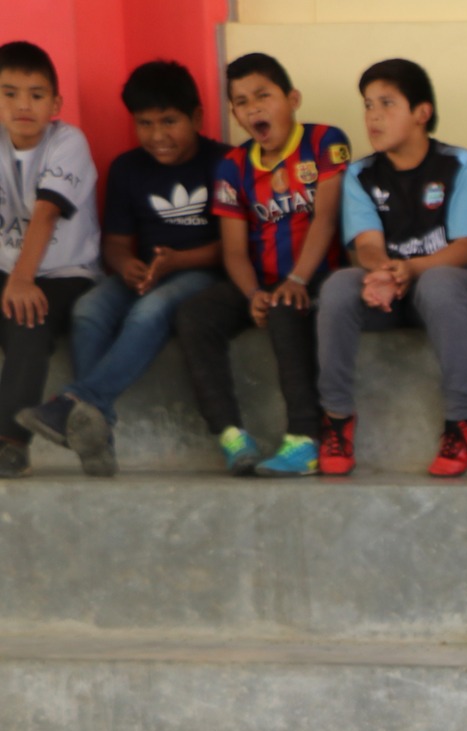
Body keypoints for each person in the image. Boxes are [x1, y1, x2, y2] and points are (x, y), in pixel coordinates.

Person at [17, 60, 220, 477]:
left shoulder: (225, 163)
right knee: (89, 310)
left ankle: (74, 403)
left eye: (169, 121)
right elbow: (114, 243)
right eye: (144, 123)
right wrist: (127, 266)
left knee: (150, 310)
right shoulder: (129, 168)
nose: (158, 136)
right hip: (146, 272)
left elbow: (237, 247)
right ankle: (96, 435)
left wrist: (178, 261)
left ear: (197, 118)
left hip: (203, 272)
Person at [174, 52, 349, 477]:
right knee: (194, 315)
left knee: (287, 307)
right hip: (262, 281)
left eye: (263, 95)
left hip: (320, 275)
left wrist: (296, 280)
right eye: (240, 101)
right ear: (233, 112)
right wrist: (253, 294)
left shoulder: (325, 141)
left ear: (292, 99)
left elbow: (325, 219)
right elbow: (233, 251)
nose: (253, 107)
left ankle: (304, 440)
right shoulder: (233, 167)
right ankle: (232, 436)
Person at [316, 58, 467, 478]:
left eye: (387, 104)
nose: (373, 116)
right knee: (339, 285)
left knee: (440, 283)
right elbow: (368, 245)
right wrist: (381, 272)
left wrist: (409, 270)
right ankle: (336, 419)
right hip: (388, 292)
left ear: (421, 113)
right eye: (368, 105)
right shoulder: (360, 173)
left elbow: (466, 248)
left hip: (453, 288)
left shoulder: (459, 164)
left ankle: (462, 419)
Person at [0, 41, 100, 478]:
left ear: (55, 103)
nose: (24, 105)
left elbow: (46, 212)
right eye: (9, 93)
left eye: (37, 95)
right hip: (8, 269)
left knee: (27, 318)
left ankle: (10, 442)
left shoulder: (68, 141)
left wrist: (22, 281)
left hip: (63, 271)